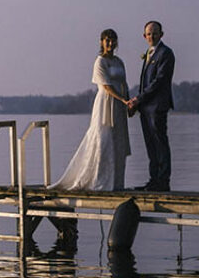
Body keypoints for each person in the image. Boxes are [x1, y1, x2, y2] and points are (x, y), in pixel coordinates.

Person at [51, 29, 131, 191]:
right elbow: (106, 86)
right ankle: (99, 180)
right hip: (105, 103)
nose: (110, 43)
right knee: (103, 140)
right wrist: (122, 99)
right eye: (107, 40)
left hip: (119, 106)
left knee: (118, 142)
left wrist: (129, 103)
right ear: (102, 42)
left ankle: (116, 183)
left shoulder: (119, 62)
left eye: (113, 40)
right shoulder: (100, 62)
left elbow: (124, 83)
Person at [127, 21, 174, 192]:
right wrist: (138, 103)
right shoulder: (149, 53)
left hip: (157, 107)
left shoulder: (166, 53)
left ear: (162, 34)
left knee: (160, 144)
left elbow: (159, 82)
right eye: (148, 34)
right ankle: (154, 180)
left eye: (155, 33)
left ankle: (163, 181)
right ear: (144, 36)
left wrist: (138, 99)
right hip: (145, 109)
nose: (151, 36)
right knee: (150, 145)